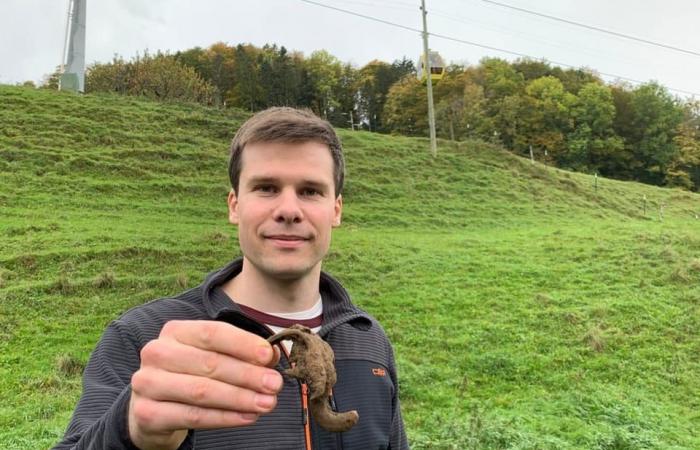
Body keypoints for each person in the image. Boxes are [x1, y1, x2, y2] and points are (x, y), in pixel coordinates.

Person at [53, 107, 408, 450]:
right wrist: (129, 432)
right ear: (234, 205)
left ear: (336, 210)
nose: (288, 210)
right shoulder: (144, 337)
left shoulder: (369, 339)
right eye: (266, 188)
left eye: (310, 191)